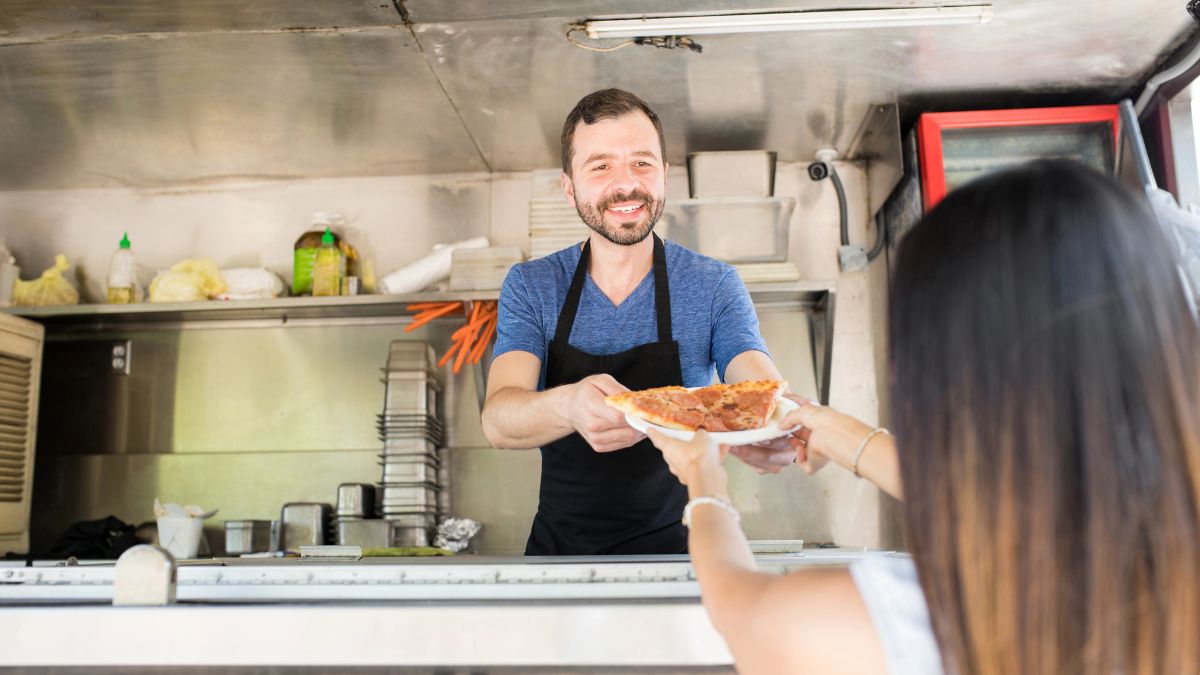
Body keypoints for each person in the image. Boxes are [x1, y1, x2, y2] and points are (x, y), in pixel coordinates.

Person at [647, 159, 1200, 675]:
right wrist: (837, 432)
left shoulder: (917, 622)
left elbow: (743, 615)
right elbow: (1002, 488)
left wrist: (705, 478)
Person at [480, 88, 790, 556]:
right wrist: (569, 407)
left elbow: (761, 387)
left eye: (642, 163)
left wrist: (776, 426)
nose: (626, 185)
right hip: (559, 559)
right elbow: (498, 420)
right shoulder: (533, 285)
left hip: (684, 557)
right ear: (570, 188)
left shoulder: (713, 284)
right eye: (600, 166)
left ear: (665, 176)